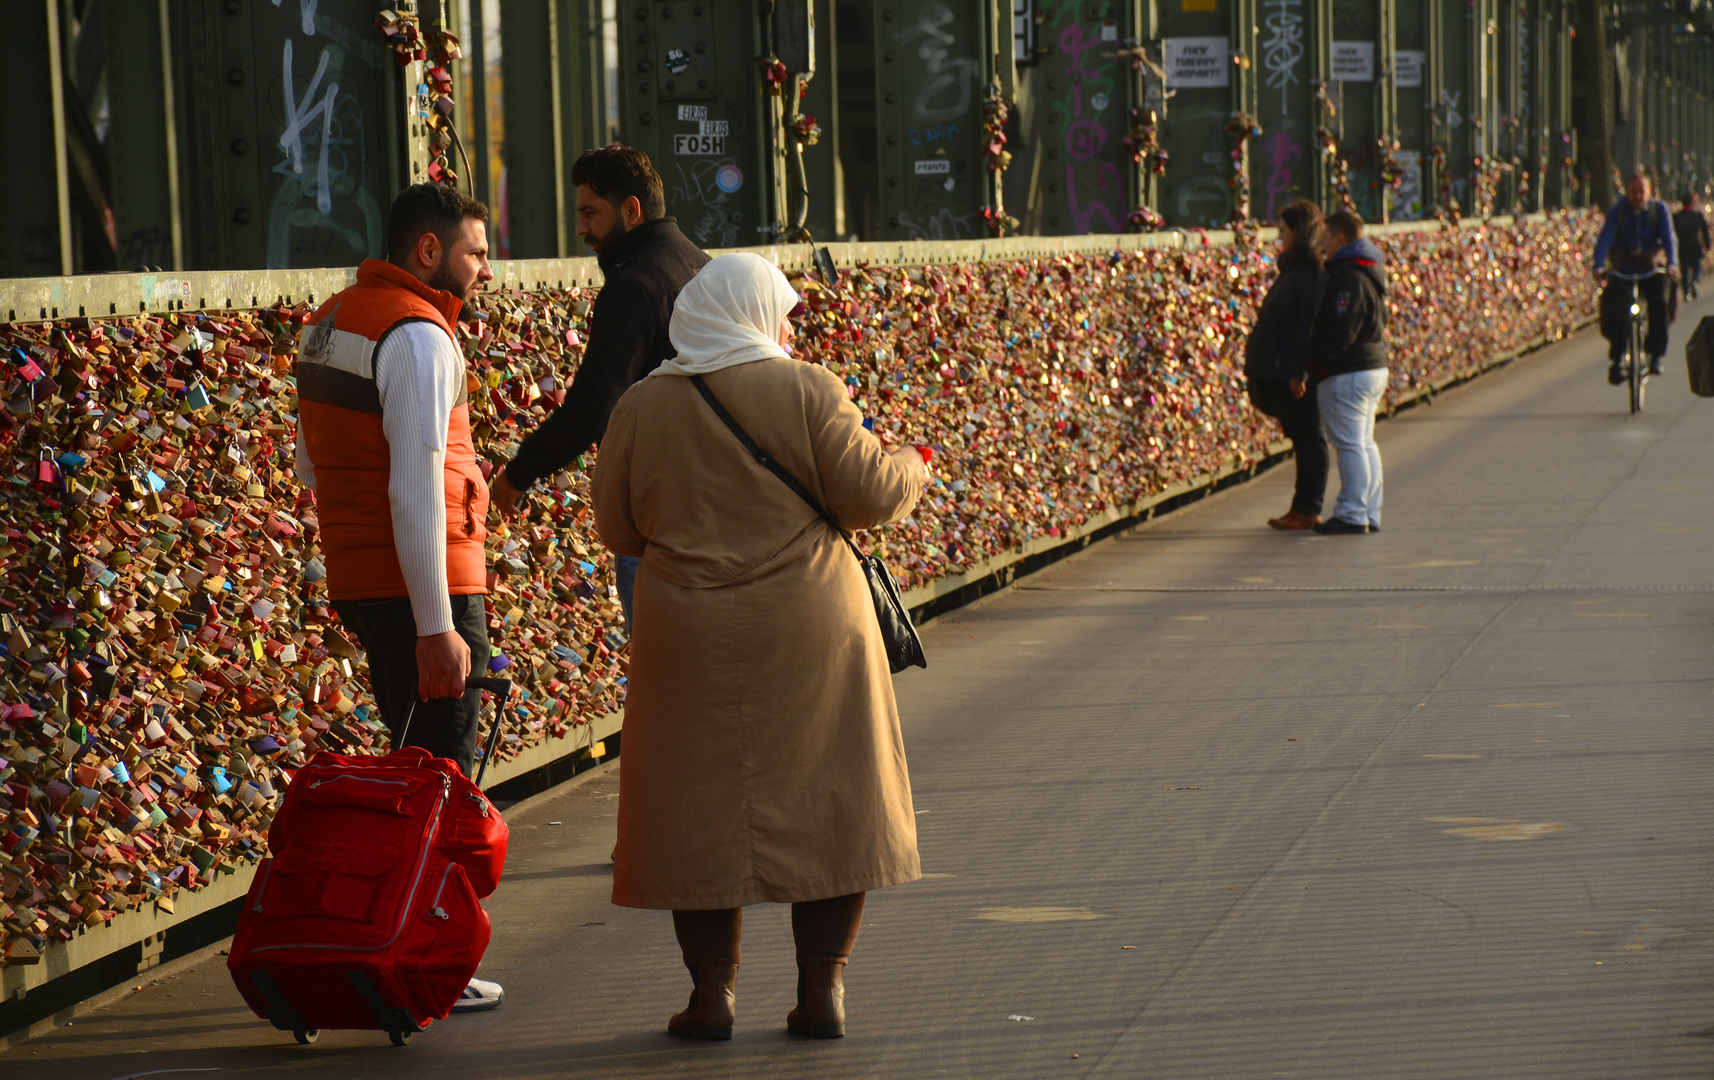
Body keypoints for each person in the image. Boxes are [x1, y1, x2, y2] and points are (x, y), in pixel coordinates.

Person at [590, 253, 930, 1041]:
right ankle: (823, 992)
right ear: (753, 313)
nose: (787, 328)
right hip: (812, 628)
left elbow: (617, 527)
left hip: (687, 634)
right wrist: (913, 464)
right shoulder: (810, 389)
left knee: (696, 808)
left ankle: (711, 996)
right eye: (781, 313)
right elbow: (873, 495)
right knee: (832, 799)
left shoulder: (643, 405)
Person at [293, 183, 504, 1013]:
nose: (486, 269)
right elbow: (416, 490)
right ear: (429, 252)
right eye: (476, 252)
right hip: (428, 585)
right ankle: (425, 956)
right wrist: (438, 626)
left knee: (411, 764)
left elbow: (313, 464)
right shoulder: (420, 338)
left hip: (364, 577)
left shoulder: (333, 321)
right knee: (441, 781)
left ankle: (397, 941)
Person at [490, 145, 709, 627]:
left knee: (662, 669)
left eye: (591, 213)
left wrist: (519, 473)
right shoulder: (702, 265)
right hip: (716, 502)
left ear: (631, 210)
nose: (581, 229)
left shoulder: (634, 285)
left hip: (657, 516)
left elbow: (594, 406)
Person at [1244, 199, 1330, 531]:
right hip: (1279, 369)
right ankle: (1302, 507)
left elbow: (1306, 326)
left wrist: (1298, 372)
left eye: (1284, 231)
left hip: (1289, 372)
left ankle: (1308, 508)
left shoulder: (1309, 274)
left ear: (1299, 232)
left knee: (1309, 437)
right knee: (1303, 437)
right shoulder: (1294, 270)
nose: (1279, 237)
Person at [1304, 210, 1389, 536]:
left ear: (1339, 238)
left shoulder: (1346, 276)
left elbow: (1341, 329)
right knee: (1363, 442)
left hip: (1347, 372)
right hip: (1371, 366)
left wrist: (1317, 363)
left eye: (1325, 237)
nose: (1322, 244)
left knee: (1352, 444)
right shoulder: (1370, 269)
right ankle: (1369, 510)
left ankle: (1353, 513)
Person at [1593, 172, 1679, 380]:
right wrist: (1598, 264)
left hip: (1651, 267)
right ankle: (1618, 358)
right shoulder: (1618, 212)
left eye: (1642, 191)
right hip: (1624, 268)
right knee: (1615, 307)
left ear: (1650, 192)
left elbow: (1669, 238)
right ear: (1627, 192)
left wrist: (1672, 264)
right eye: (1633, 192)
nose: (1638, 196)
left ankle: (1656, 354)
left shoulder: (1659, 210)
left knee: (1660, 301)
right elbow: (1605, 238)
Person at [1672, 192, 1710, 300]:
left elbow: (1672, 233)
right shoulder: (1697, 216)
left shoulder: (1676, 217)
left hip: (1682, 248)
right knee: (1697, 268)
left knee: (1684, 270)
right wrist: (1707, 245)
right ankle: (1695, 281)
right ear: (1692, 203)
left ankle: (1686, 292)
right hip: (1696, 246)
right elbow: (1705, 231)